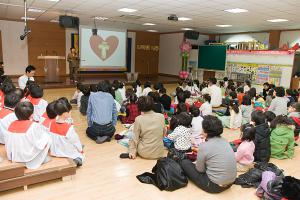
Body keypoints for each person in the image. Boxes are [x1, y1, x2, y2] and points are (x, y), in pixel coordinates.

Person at [180, 115, 237, 194]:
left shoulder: (204, 146)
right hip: (231, 183)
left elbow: (200, 170)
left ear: (206, 131)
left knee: (184, 162)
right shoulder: (225, 141)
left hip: (214, 186)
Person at [5, 101, 51, 169]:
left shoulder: (11, 124)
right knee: (48, 138)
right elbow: (39, 143)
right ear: (32, 115)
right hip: (27, 157)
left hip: (13, 155)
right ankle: (37, 159)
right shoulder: (34, 126)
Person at [49, 99, 84, 167]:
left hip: (55, 151)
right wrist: (80, 149)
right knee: (80, 154)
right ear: (65, 114)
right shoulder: (69, 128)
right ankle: (76, 160)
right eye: (70, 111)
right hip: (66, 151)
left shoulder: (51, 123)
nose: (71, 113)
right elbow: (75, 141)